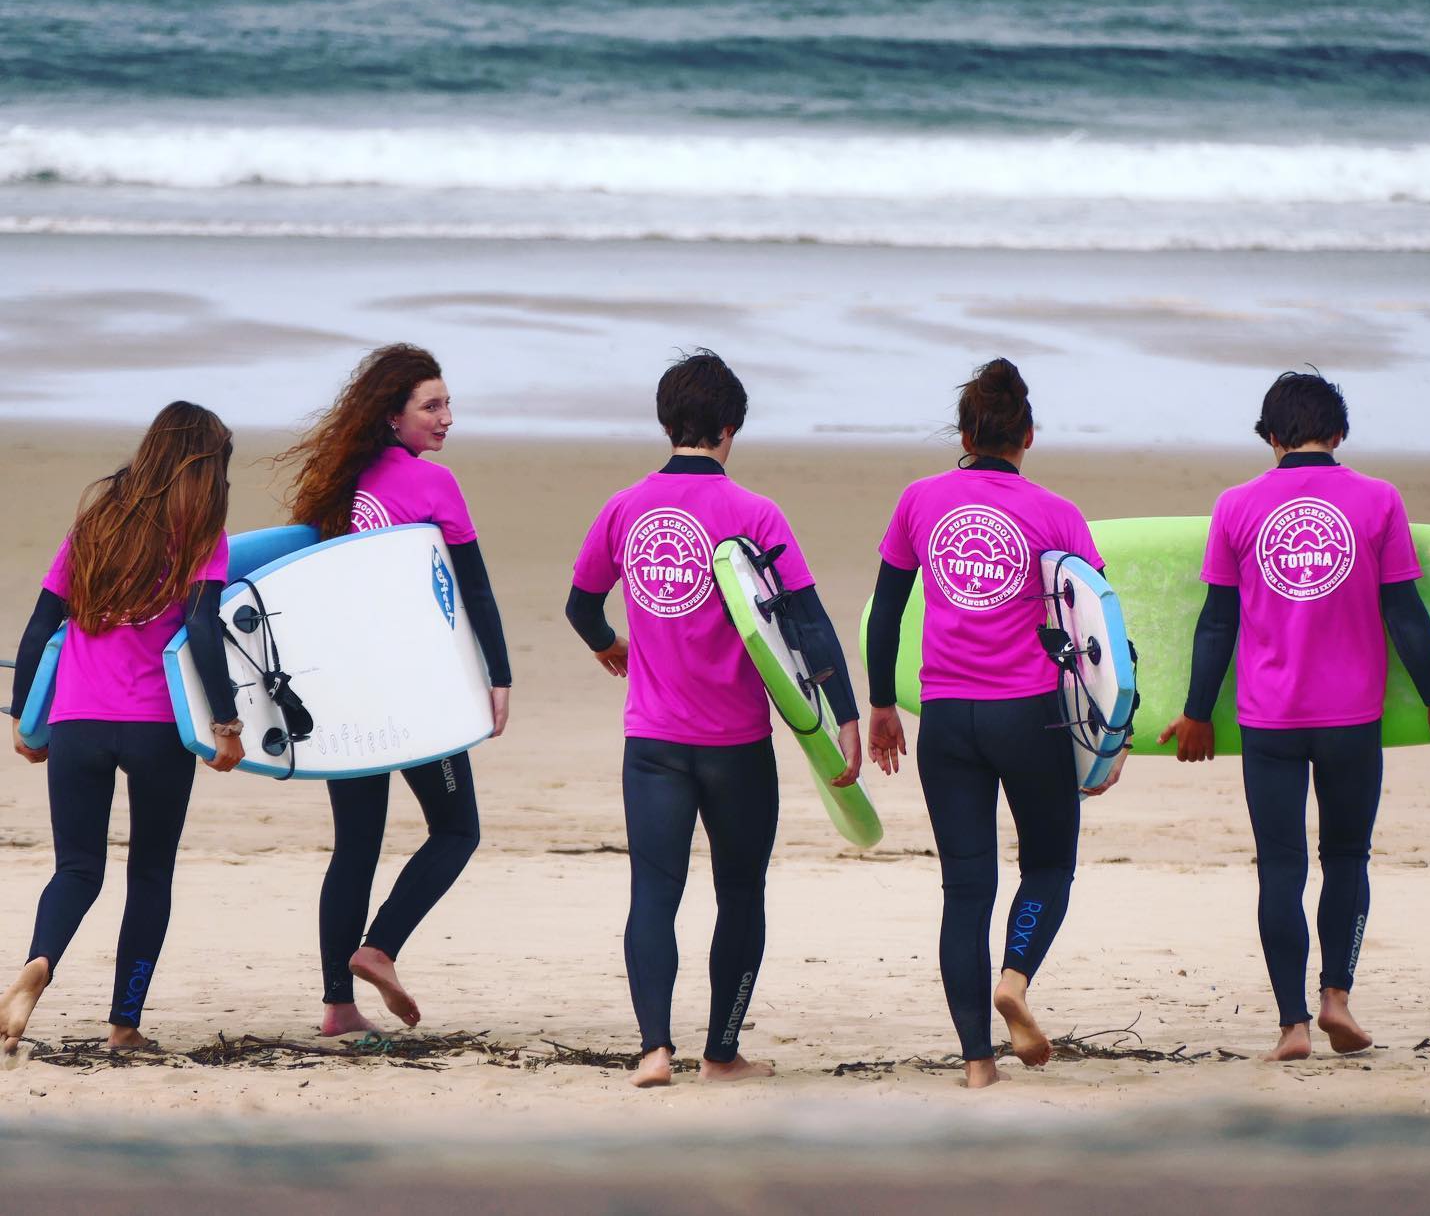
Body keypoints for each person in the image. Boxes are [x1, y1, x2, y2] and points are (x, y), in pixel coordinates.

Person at [566, 349, 862, 1088]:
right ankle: (721, 1053)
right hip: (737, 747)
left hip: (653, 744)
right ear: (731, 429)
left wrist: (612, 648)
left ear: (668, 423)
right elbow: (808, 623)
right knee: (740, 896)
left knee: (654, 894)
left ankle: (653, 1051)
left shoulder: (624, 508)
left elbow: (579, 605)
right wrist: (846, 716)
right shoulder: (755, 514)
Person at [1160, 371, 1430, 1062]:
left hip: (1269, 722)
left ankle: (1292, 1025)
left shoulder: (1237, 505)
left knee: (1280, 868)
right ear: (1338, 433)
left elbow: (1216, 621)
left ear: (1271, 437)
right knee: (1346, 857)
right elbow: (1406, 612)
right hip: (1352, 721)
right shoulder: (1378, 500)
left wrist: (1198, 713)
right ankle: (1336, 998)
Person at [866, 358, 1122, 1090]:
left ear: (965, 431)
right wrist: (1112, 732)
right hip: (1027, 718)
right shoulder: (1056, 514)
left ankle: (978, 1063)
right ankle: (1014, 978)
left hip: (946, 721)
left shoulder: (920, 500)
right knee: (1047, 864)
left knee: (965, 891)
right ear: (1028, 435)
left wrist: (883, 703)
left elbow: (887, 610)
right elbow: (1098, 627)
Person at [279, 344, 511, 1035]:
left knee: (355, 845)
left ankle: (337, 1010)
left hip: (340, 691)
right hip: (412, 699)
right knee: (457, 828)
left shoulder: (331, 489)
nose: (447, 419)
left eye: (447, 404)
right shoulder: (434, 486)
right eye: (432, 406)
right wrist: (498, 676)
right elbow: (474, 591)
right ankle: (378, 948)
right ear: (393, 417)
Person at [1, 402, 242, 1055]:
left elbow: (37, 627)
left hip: (78, 721)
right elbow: (201, 630)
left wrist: (27, 718)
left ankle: (40, 963)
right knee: (150, 875)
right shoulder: (201, 536)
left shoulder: (95, 527)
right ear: (204, 466)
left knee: (76, 868)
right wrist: (226, 723)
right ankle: (123, 1024)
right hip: (156, 728)